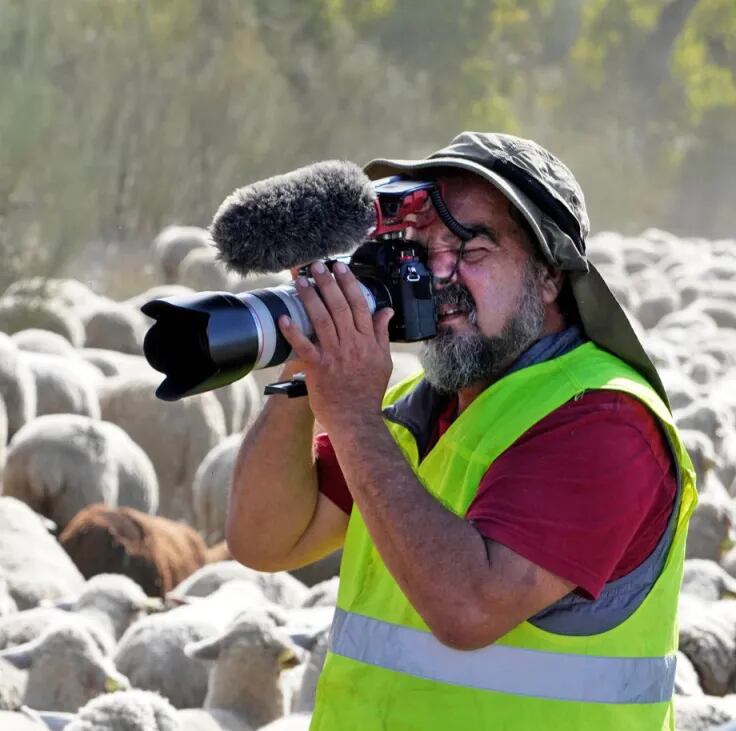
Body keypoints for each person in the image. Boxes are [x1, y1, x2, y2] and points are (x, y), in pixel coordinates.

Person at [225, 132, 698, 730]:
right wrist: (307, 363)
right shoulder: (412, 414)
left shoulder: (604, 422)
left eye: (471, 252)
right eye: (421, 251)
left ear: (551, 276)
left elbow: (470, 608)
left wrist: (350, 416)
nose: (438, 276)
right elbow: (266, 539)